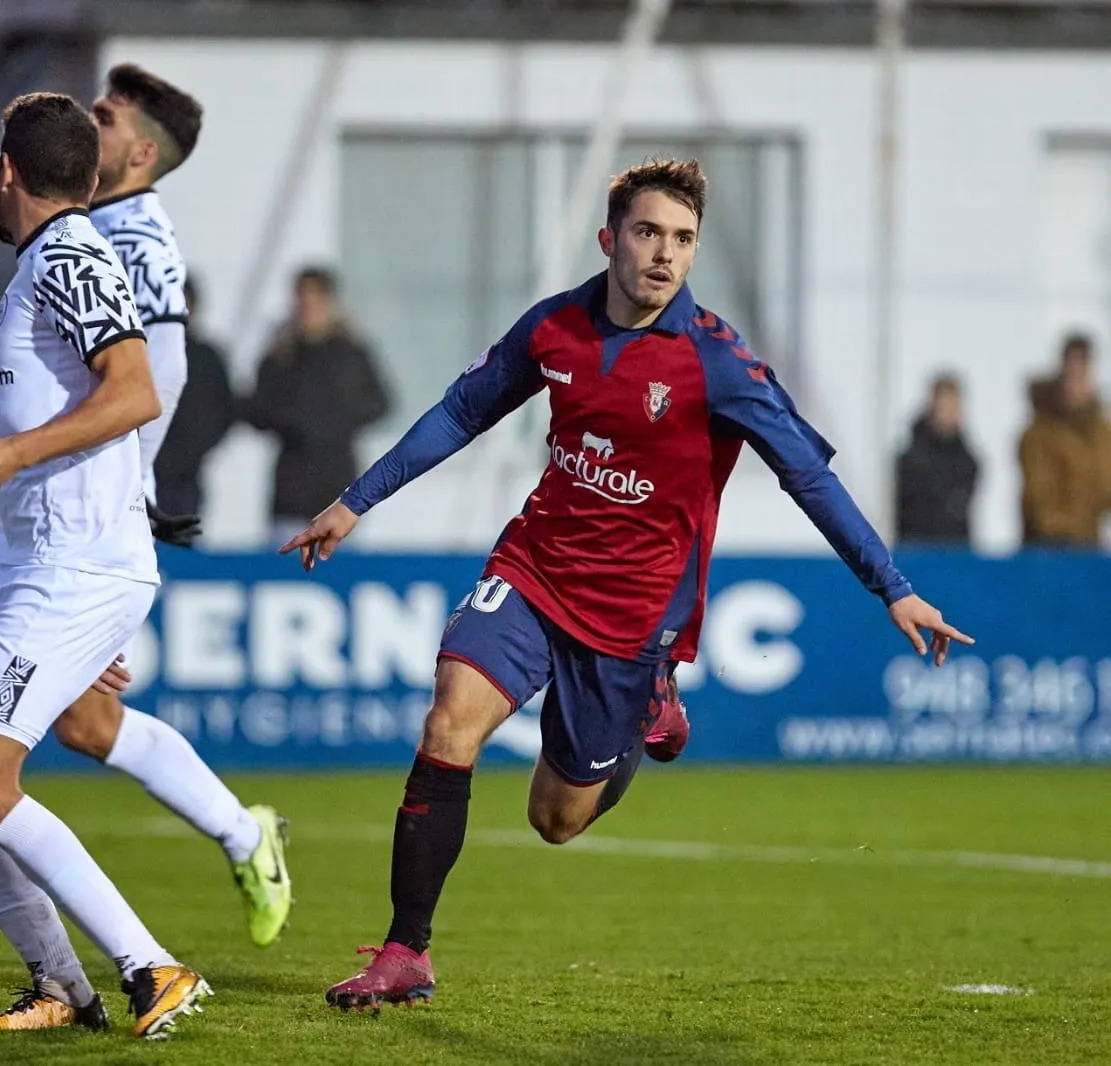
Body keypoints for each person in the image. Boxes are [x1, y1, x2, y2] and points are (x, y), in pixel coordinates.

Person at [281, 159, 973, 1012]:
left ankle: (649, 698)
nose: (664, 254)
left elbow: (806, 476)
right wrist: (355, 501)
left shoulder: (716, 360)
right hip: (533, 567)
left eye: (682, 239)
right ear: (609, 239)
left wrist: (890, 586)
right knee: (449, 718)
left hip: (631, 616)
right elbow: (461, 410)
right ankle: (405, 952)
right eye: (648, 233)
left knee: (554, 820)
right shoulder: (556, 326)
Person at [0, 67, 290, 980]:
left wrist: (107, 492)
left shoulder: (103, 244)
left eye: (108, 115)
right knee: (21, 740)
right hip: (39, 523)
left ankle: (117, 950)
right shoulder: (61, 246)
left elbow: (147, 382)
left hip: (70, 531)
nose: (95, 122)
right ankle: (57, 952)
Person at [0, 91, 210, 1040]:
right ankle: (59, 986)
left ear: (6, 171)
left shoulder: (72, 256)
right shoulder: (47, 260)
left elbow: (132, 393)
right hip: (33, 564)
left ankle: (151, 965)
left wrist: (9, 454)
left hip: (73, 568)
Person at [246, 266, 391, 545]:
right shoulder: (281, 355)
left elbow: (380, 403)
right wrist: (294, 421)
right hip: (292, 487)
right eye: (303, 298)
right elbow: (256, 409)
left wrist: (336, 420)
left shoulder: (350, 353)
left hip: (339, 488)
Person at [152, 276, 238, 517]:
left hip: (187, 479)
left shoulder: (207, 358)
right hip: (144, 475)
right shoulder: (143, 354)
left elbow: (225, 413)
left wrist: (192, 453)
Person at [1020, 334, 1111, 547]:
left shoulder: (1100, 431)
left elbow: (1105, 486)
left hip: (1089, 541)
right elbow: (1040, 497)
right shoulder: (1040, 431)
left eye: (1082, 370)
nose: (1076, 379)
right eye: (1072, 370)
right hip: (1048, 545)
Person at [895, 374, 979, 546]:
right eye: (945, 407)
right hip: (918, 551)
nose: (951, 414)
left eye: (954, 407)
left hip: (956, 551)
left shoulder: (968, 462)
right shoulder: (912, 460)